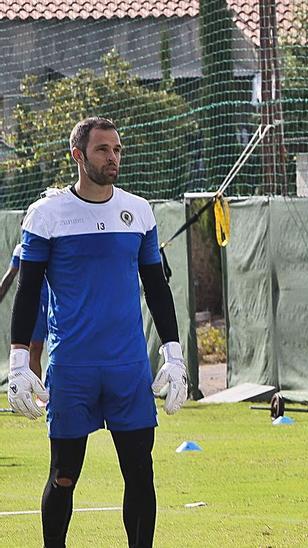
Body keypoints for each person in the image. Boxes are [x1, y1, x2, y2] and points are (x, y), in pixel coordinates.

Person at [6, 116, 189, 548]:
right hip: (72, 370)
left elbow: (158, 289)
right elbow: (27, 290)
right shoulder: (47, 215)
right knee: (63, 475)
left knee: (140, 475)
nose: (113, 158)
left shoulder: (139, 211)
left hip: (128, 369)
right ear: (78, 156)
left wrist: (175, 357)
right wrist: (18, 363)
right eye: (103, 150)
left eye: (118, 149)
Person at [0, 218, 50, 380]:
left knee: (63, 347)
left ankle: (57, 391)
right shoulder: (21, 250)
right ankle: (38, 396)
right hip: (34, 305)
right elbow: (9, 278)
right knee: (34, 348)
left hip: (57, 304)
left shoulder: (55, 245)